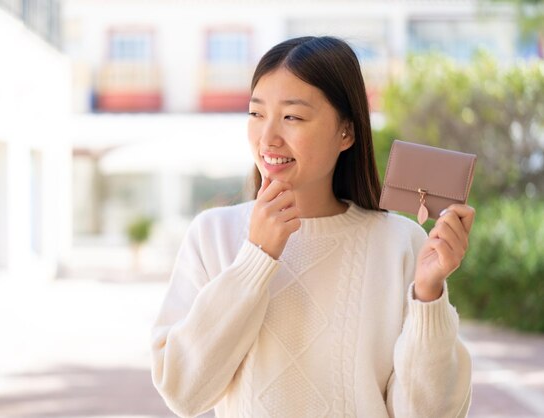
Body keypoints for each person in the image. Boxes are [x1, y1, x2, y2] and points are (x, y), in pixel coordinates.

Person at [150, 36, 474, 418]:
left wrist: (428, 296)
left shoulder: (400, 243)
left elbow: (426, 414)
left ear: (346, 133)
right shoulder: (213, 234)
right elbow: (183, 393)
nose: (267, 137)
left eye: (292, 117)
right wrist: (256, 259)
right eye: (256, 114)